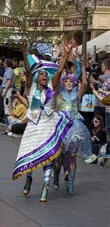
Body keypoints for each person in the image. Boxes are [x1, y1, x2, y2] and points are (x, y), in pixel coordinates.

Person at [12, 44, 73, 202]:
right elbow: (27, 71)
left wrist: (66, 55)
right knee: (31, 153)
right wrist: (25, 54)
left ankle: (45, 186)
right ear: (37, 76)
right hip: (33, 125)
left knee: (48, 155)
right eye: (42, 74)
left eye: (47, 74)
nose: (45, 76)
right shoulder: (30, 87)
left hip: (48, 124)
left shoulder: (52, 86)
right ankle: (29, 178)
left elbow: (59, 71)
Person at [53, 56, 97, 195]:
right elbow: (56, 77)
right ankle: (56, 176)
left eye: (70, 81)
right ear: (63, 83)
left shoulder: (77, 95)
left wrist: (83, 67)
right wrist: (64, 59)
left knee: (71, 156)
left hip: (75, 126)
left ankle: (70, 183)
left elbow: (84, 82)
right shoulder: (58, 93)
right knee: (59, 157)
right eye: (66, 81)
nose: (69, 83)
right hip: (61, 126)